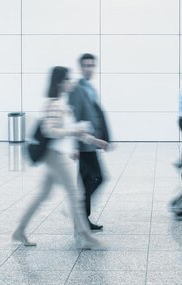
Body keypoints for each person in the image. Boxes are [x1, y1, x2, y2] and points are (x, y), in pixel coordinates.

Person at [13, 66, 107, 248]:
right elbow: (50, 130)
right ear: (59, 83)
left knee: (42, 195)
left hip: (57, 155)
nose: (70, 82)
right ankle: (87, 237)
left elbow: (74, 131)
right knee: (75, 194)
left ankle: (19, 231)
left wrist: (95, 141)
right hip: (55, 156)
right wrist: (73, 131)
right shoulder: (54, 104)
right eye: (67, 79)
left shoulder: (62, 103)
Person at [69, 53, 110, 231]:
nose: (89, 69)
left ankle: (82, 219)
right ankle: (78, 213)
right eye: (86, 65)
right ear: (80, 67)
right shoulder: (77, 88)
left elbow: (95, 115)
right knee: (98, 178)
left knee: (86, 182)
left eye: (91, 65)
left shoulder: (90, 88)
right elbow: (74, 117)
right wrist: (74, 145)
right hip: (83, 144)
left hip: (91, 143)